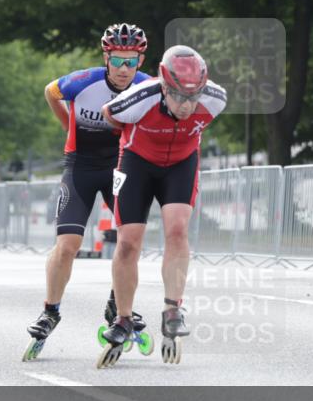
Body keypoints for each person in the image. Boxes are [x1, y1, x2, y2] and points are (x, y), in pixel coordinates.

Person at [23, 23, 153, 361]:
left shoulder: (146, 86)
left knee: (129, 240)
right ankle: (50, 311)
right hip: (80, 166)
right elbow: (51, 91)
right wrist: (69, 125)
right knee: (68, 246)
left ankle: (118, 307)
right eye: (118, 61)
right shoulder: (84, 81)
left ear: (140, 61)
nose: (125, 70)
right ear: (106, 57)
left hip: (121, 166)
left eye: (132, 62)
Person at [97, 45, 227, 368]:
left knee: (178, 229)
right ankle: (123, 319)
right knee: (127, 243)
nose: (187, 105)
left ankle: (172, 309)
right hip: (137, 162)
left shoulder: (216, 98)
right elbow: (108, 115)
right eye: (179, 97)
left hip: (180, 163)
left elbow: (199, 116)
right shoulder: (139, 97)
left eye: (193, 97)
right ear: (164, 86)